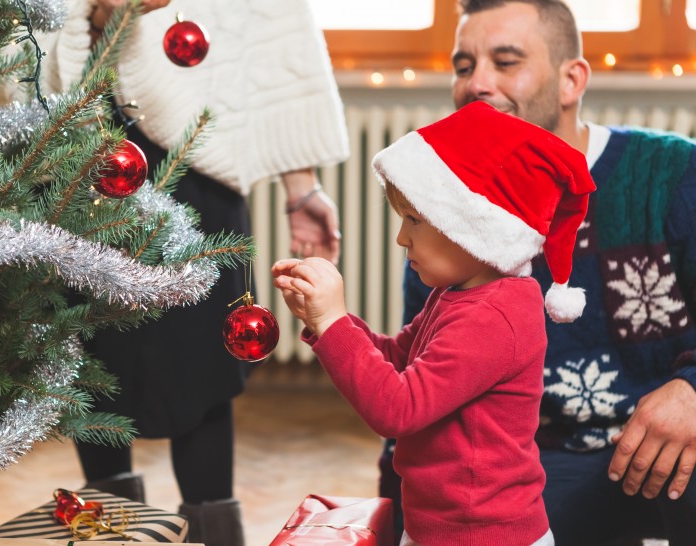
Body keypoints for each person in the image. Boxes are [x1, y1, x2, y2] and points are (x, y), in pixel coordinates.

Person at [37, 1, 349, 545]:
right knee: (93, 364)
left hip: (199, 159)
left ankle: (215, 539)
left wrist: (303, 187)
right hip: (81, 151)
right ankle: (113, 535)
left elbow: (268, 32)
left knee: (202, 367)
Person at [386, 1, 696, 544]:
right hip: (534, 466)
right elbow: (422, 391)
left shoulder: (673, 173)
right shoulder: (444, 217)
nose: (477, 83)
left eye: (506, 62)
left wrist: (694, 390)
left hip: (672, 444)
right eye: (464, 66)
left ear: (571, 79)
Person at [274, 100, 596, 546]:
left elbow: (396, 408)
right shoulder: (457, 293)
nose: (402, 236)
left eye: (415, 220)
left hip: (485, 537)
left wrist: (334, 324)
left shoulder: (494, 316)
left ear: (472, 226)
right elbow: (397, 361)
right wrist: (328, 319)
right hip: (440, 527)